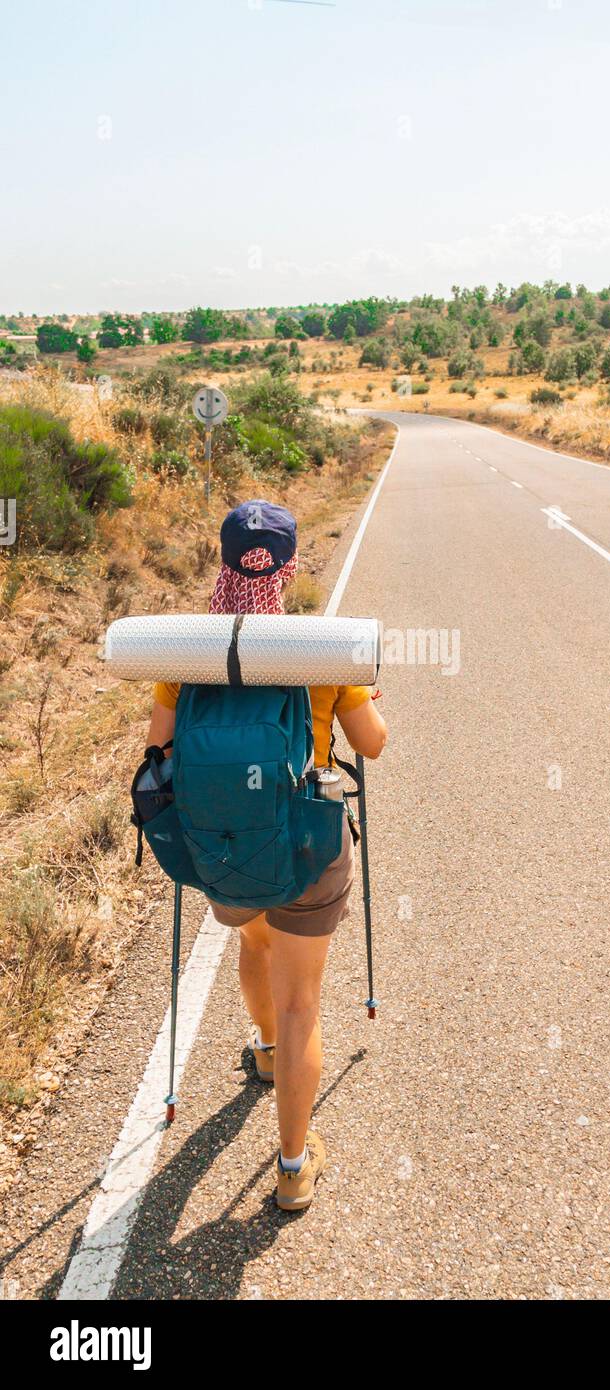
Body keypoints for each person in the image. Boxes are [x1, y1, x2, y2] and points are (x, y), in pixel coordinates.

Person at [146, 500, 387, 1210]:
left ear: (224, 563)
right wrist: (365, 696)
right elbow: (371, 745)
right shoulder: (323, 652)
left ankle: (265, 1050)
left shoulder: (187, 654)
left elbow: (157, 753)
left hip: (225, 846)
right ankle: (290, 1166)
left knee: (255, 946)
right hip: (309, 844)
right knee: (302, 1000)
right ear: (288, 569)